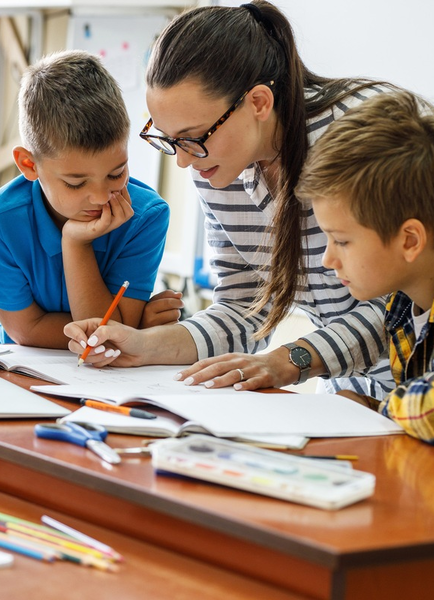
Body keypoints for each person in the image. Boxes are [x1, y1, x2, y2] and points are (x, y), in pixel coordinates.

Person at [64, 0, 396, 398]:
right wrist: (142, 346)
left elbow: (405, 303)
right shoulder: (218, 166)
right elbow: (243, 309)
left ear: (258, 102)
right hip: (356, 385)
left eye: (194, 137)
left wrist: (291, 360)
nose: (185, 161)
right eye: (170, 140)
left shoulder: (359, 133)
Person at [0, 50, 170, 348]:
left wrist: (76, 244)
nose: (102, 196)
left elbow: (109, 336)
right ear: (29, 165)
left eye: (117, 174)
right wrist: (133, 326)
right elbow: (26, 331)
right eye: (76, 183)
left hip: (110, 380)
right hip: (19, 371)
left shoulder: (146, 216)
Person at [295, 91, 434, 442]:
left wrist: (380, 409)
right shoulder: (402, 306)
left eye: (341, 240)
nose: (328, 259)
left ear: (409, 241)